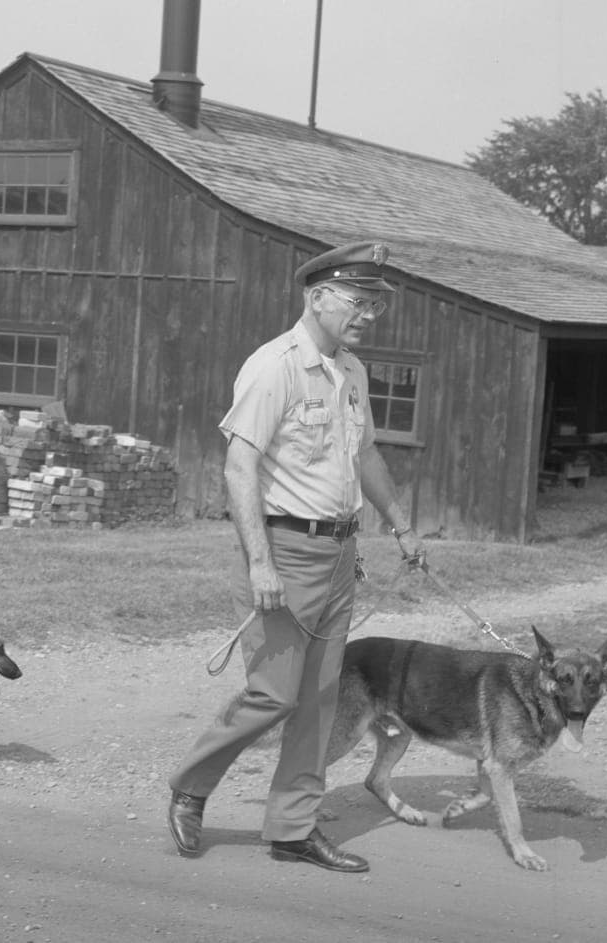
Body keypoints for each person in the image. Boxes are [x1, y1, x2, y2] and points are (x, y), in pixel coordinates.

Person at [166, 241, 425, 873]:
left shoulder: (353, 373)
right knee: (276, 694)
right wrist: (260, 561)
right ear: (316, 297)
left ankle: (292, 830)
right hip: (286, 550)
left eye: (375, 305)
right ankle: (190, 787)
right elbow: (239, 466)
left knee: (320, 700)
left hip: (340, 552)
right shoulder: (274, 367)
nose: (368, 314)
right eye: (358, 301)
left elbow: (365, 457)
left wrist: (400, 525)